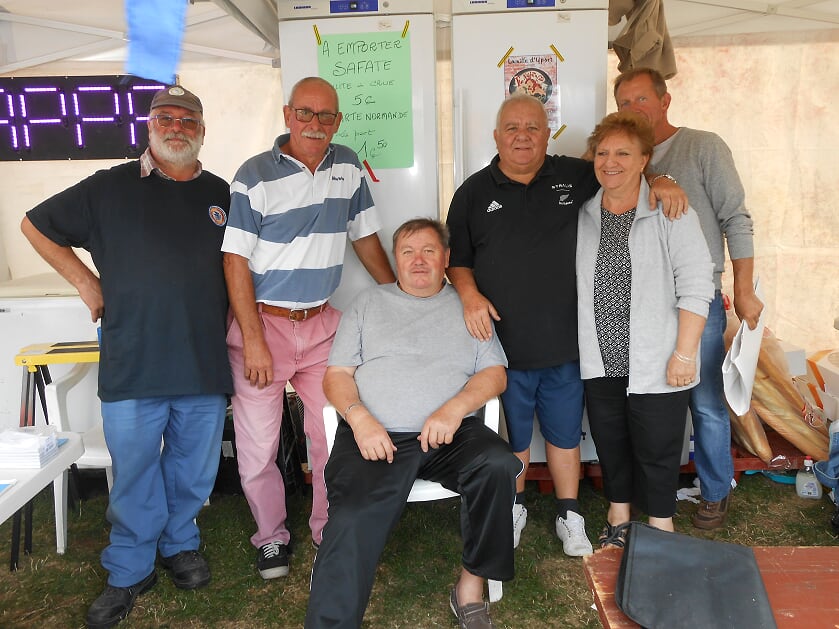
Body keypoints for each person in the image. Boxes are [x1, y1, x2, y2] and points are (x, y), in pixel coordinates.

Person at [21, 85, 232, 629]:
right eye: (165, 117)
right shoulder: (107, 187)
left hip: (203, 360)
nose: (176, 126)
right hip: (133, 359)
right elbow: (35, 226)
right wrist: (87, 284)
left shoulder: (222, 194)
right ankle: (129, 567)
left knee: (193, 467)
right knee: (135, 468)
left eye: (188, 118)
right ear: (149, 125)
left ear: (202, 129)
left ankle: (179, 544)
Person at [445, 92, 687, 556]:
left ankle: (569, 512)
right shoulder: (472, 192)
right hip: (500, 346)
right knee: (514, 437)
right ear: (496, 136)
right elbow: (459, 260)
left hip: (568, 343)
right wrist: (470, 294)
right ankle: (514, 507)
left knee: (562, 435)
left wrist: (661, 178)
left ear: (548, 134)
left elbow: (621, 171)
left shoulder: (576, 176)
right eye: (512, 128)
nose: (522, 137)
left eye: (533, 127)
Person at [305, 218, 522, 629]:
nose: (418, 260)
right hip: (377, 437)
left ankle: (470, 589)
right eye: (407, 252)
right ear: (396, 260)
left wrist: (454, 409)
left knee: (497, 465)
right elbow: (336, 376)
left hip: (449, 434)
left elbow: (495, 374)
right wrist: (360, 419)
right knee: (351, 516)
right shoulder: (368, 304)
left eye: (428, 251)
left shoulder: (467, 305)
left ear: (446, 258)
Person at [221, 76, 395, 579]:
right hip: (262, 327)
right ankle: (271, 536)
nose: (315, 125)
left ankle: (327, 529)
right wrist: (253, 339)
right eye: (305, 114)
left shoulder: (347, 165)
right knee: (257, 446)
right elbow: (234, 260)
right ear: (287, 115)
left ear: (338, 121)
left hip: (322, 326)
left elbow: (365, 241)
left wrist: (399, 299)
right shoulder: (253, 175)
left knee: (331, 438)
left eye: (326, 116)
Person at [614, 68, 763, 530]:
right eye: (623, 102)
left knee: (705, 402)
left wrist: (743, 290)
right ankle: (651, 493)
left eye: (641, 99)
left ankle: (716, 492)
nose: (632, 109)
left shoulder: (703, 146)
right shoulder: (620, 154)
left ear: (665, 100)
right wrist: (654, 173)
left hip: (694, 298)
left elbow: (736, 219)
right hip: (637, 304)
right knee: (644, 400)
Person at [576, 111, 714, 544]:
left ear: (644, 160)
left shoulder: (669, 209)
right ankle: (618, 518)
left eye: (623, 153)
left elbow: (696, 284)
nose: (610, 161)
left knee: (658, 446)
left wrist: (685, 353)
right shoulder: (584, 213)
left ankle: (660, 524)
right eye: (602, 153)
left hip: (657, 355)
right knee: (611, 441)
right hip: (601, 353)